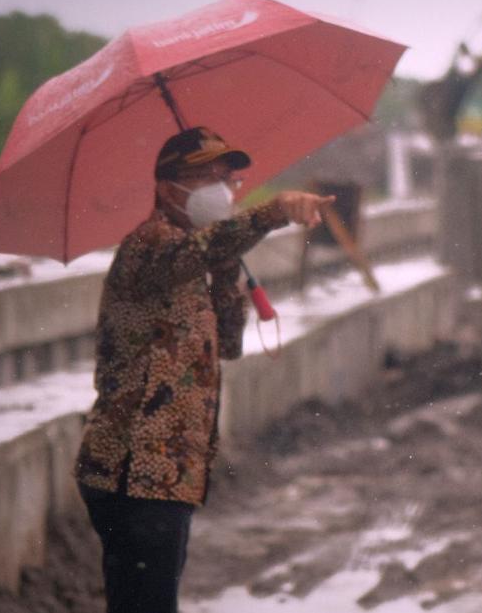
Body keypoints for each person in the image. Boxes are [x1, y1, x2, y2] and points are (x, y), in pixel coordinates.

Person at [74, 126, 334, 613]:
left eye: (228, 178)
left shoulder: (196, 258)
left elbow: (228, 344)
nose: (222, 189)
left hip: (171, 471)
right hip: (134, 469)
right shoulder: (150, 247)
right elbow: (182, 257)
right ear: (166, 186)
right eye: (204, 176)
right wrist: (272, 212)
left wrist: (225, 269)